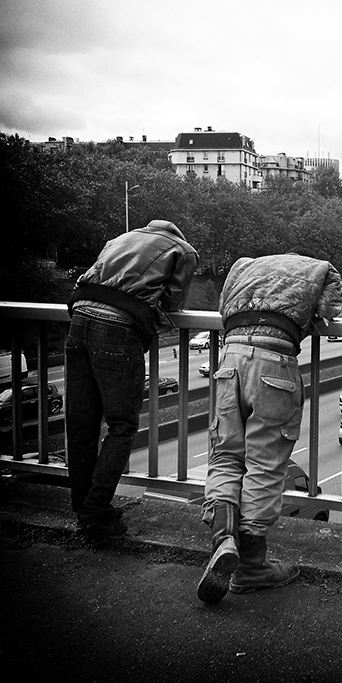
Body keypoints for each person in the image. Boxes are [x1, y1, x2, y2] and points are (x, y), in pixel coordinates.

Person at [197, 251, 342, 604]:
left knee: (226, 456)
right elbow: (329, 310)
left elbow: (223, 309)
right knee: (263, 464)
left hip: (230, 358)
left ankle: (223, 538)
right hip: (273, 361)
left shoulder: (242, 266)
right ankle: (251, 567)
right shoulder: (322, 270)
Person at [65, 220, 198, 539]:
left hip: (79, 320)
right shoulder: (183, 251)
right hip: (118, 329)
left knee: (81, 424)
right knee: (122, 425)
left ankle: (82, 507)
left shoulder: (120, 238)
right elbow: (172, 303)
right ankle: (96, 513)